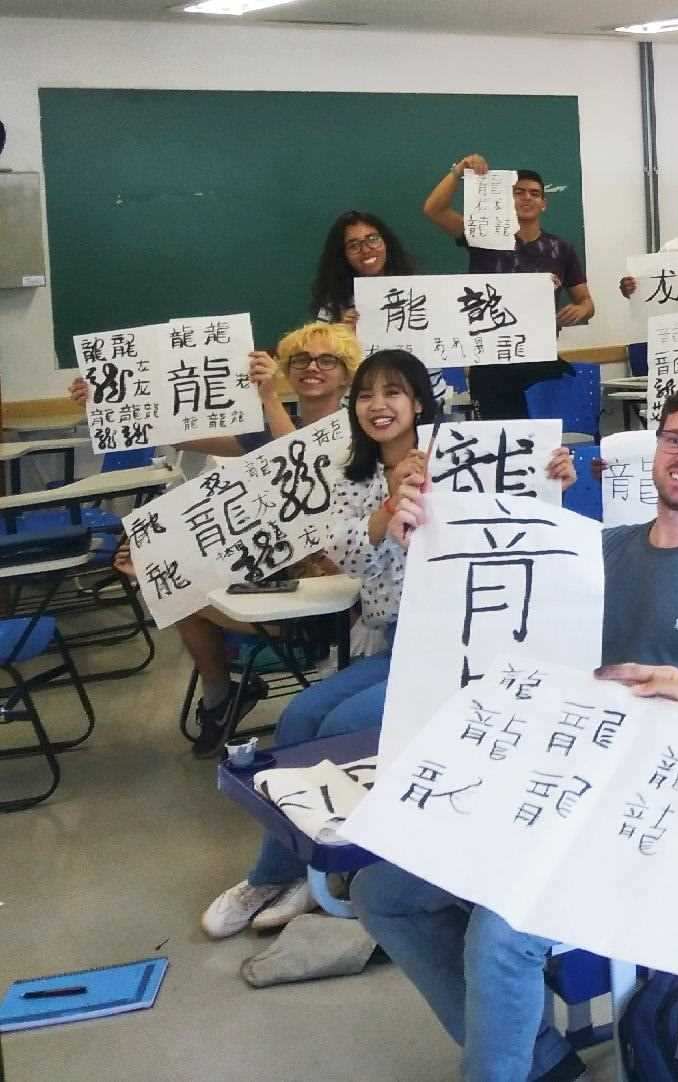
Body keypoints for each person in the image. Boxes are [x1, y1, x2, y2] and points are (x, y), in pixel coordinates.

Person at [352, 377, 678, 1082]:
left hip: (663, 809)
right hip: (563, 778)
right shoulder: (604, 548)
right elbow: (500, 594)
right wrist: (427, 526)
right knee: (383, 894)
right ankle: (536, 1059)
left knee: (502, 935)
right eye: (675, 438)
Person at [198, 348, 440, 937]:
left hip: (452, 648)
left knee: (342, 727)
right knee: (300, 717)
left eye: (393, 392)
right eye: (366, 395)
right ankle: (287, 874)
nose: (378, 405)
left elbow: (519, 509)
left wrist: (554, 473)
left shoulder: (457, 459)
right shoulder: (352, 477)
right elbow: (349, 555)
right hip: (394, 642)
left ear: (418, 401)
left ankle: (316, 872)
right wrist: (388, 507)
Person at [70, 322, 363, 748]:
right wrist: (108, 402)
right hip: (275, 569)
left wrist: (269, 399)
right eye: (301, 359)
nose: (312, 368)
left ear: (347, 373)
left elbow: (300, 463)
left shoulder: (356, 431)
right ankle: (220, 693)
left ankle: (234, 693)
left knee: (179, 586)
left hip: (331, 585)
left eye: (327, 360)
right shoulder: (264, 428)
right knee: (171, 587)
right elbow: (178, 435)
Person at [421, 153, 594, 420]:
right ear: (505, 199)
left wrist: (580, 310)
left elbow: (587, 303)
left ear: (544, 203)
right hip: (491, 362)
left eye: (534, 194)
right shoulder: (483, 237)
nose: (527, 198)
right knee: (499, 439)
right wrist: (459, 171)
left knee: (546, 440)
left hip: (540, 358)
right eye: (518, 192)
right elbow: (434, 210)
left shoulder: (561, 249)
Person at [310, 210, 418, 327]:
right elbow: (318, 338)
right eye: (354, 246)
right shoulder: (333, 304)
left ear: (386, 242)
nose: (366, 250)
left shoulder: (417, 291)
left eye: (373, 239)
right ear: (343, 255)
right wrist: (341, 331)